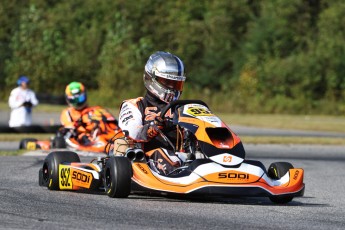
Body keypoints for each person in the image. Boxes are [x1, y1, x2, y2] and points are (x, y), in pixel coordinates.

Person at [118, 51, 186, 175]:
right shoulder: (135, 105)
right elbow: (133, 132)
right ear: (152, 79)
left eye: (176, 84)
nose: (173, 88)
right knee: (164, 155)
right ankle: (179, 174)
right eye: (168, 83)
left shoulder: (183, 108)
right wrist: (154, 127)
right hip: (147, 158)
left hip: (183, 156)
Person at [60, 81, 118, 146]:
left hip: (102, 134)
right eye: (74, 99)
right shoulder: (67, 113)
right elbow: (69, 127)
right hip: (82, 138)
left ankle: (117, 138)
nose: (78, 102)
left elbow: (110, 119)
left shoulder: (96, 109)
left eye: (80, 98)